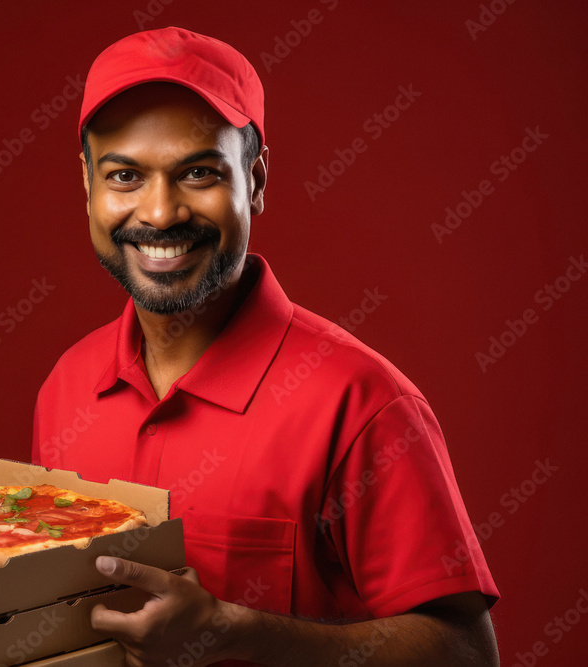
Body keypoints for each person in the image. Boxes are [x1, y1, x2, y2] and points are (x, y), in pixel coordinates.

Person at [31, 27, 499, 666]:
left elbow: (467, 655)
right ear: (86, 184)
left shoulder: (363, 404)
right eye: (125, 175)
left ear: (255, 179)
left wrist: (235, 631)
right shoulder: (65, 389)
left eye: (198, 172)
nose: (161, 213)